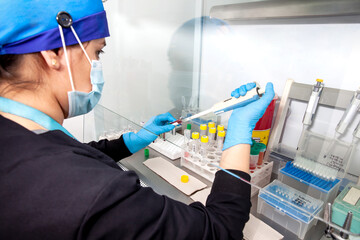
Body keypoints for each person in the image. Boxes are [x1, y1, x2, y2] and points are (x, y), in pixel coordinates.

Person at [0, 1, 275, 239]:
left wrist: (133, 140)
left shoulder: (17, 135)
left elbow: (70, 155)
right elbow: (219, 230)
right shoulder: (93, 194)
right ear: (53, 53)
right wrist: (238, 134)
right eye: (98, 52)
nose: (97, 64)